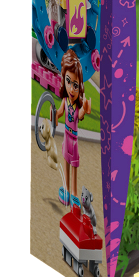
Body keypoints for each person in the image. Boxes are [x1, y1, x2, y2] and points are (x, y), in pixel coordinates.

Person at [56, 49, 91, 207]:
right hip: (66, 135)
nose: (71, 89)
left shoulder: (77, 106)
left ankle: (74, 193)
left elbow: (80, 114)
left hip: (74, 139)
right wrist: (55, 115)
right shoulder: (65, 100)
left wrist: (85, 109)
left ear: (80, 86)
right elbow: (60, 112)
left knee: (74, 165)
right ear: (64, 79)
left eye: (75, 85)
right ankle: (66, 188)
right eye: (68, 82)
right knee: (66, 161)